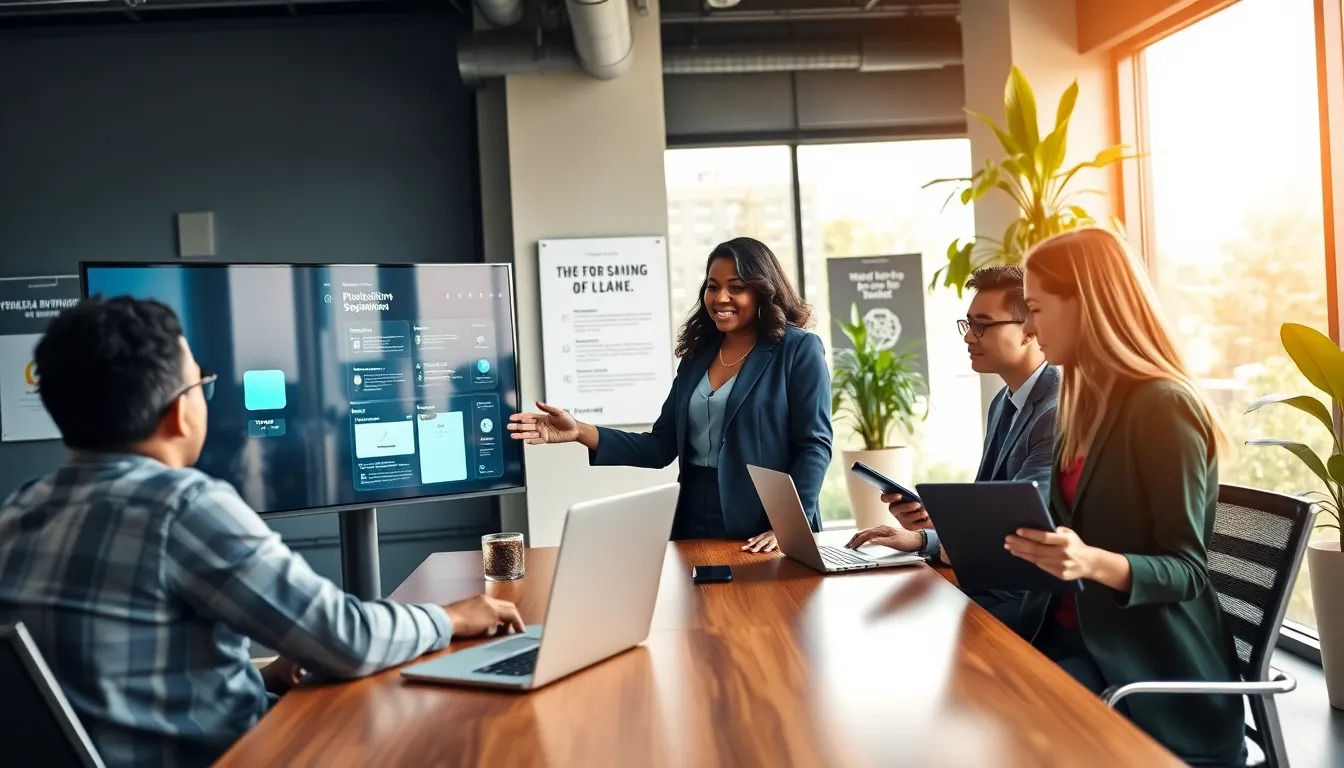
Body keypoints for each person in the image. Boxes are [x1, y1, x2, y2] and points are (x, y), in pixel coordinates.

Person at [0, 297, 525, 768]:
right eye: (202, 384)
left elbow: (117, 689)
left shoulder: (19, 511)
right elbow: (347, 639)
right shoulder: (182, 506)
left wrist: (260, 676)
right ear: (179, 412)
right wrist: (452, 616)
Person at [1003, 227, 1244, 764]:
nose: (1028, 326)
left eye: (1037, 308)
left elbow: (1188, 570)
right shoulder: (1080, 400)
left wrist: (1089, 561)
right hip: (1068, 638)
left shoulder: (1163, 406)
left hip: (1143, 666)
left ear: (1085, 305)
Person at [509, 237, 832, 552]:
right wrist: (579, 431)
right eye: (712, 286)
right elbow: (660, 446)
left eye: (736, 287)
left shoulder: (797, 349)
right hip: (693, 518)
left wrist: (787, 525)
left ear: (762, 290)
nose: (720, 298)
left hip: (764, 524)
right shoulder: (698, 356)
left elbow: (814, 446)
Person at [844, 265, 1058, 631]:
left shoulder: (1056, 411)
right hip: (994, 583)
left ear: (1030, 330)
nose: (968, 338)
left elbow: (1022, 526)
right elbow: (993, 509)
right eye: (968, 324)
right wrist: (928, 529)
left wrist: (934, 539)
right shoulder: (1005, 402)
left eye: (982, 325)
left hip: (1028, 599)